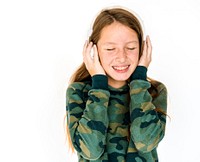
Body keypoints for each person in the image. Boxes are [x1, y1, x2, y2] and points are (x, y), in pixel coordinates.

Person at [66, 6, 167, 162]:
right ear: (93, 50)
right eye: (110, 48)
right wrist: (98, 85)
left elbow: (146, 142)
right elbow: (91, 151)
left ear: (142, 49)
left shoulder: (154, 91)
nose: (121, 57)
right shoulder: (79, 91)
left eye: (131, 48)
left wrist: (139, 81)